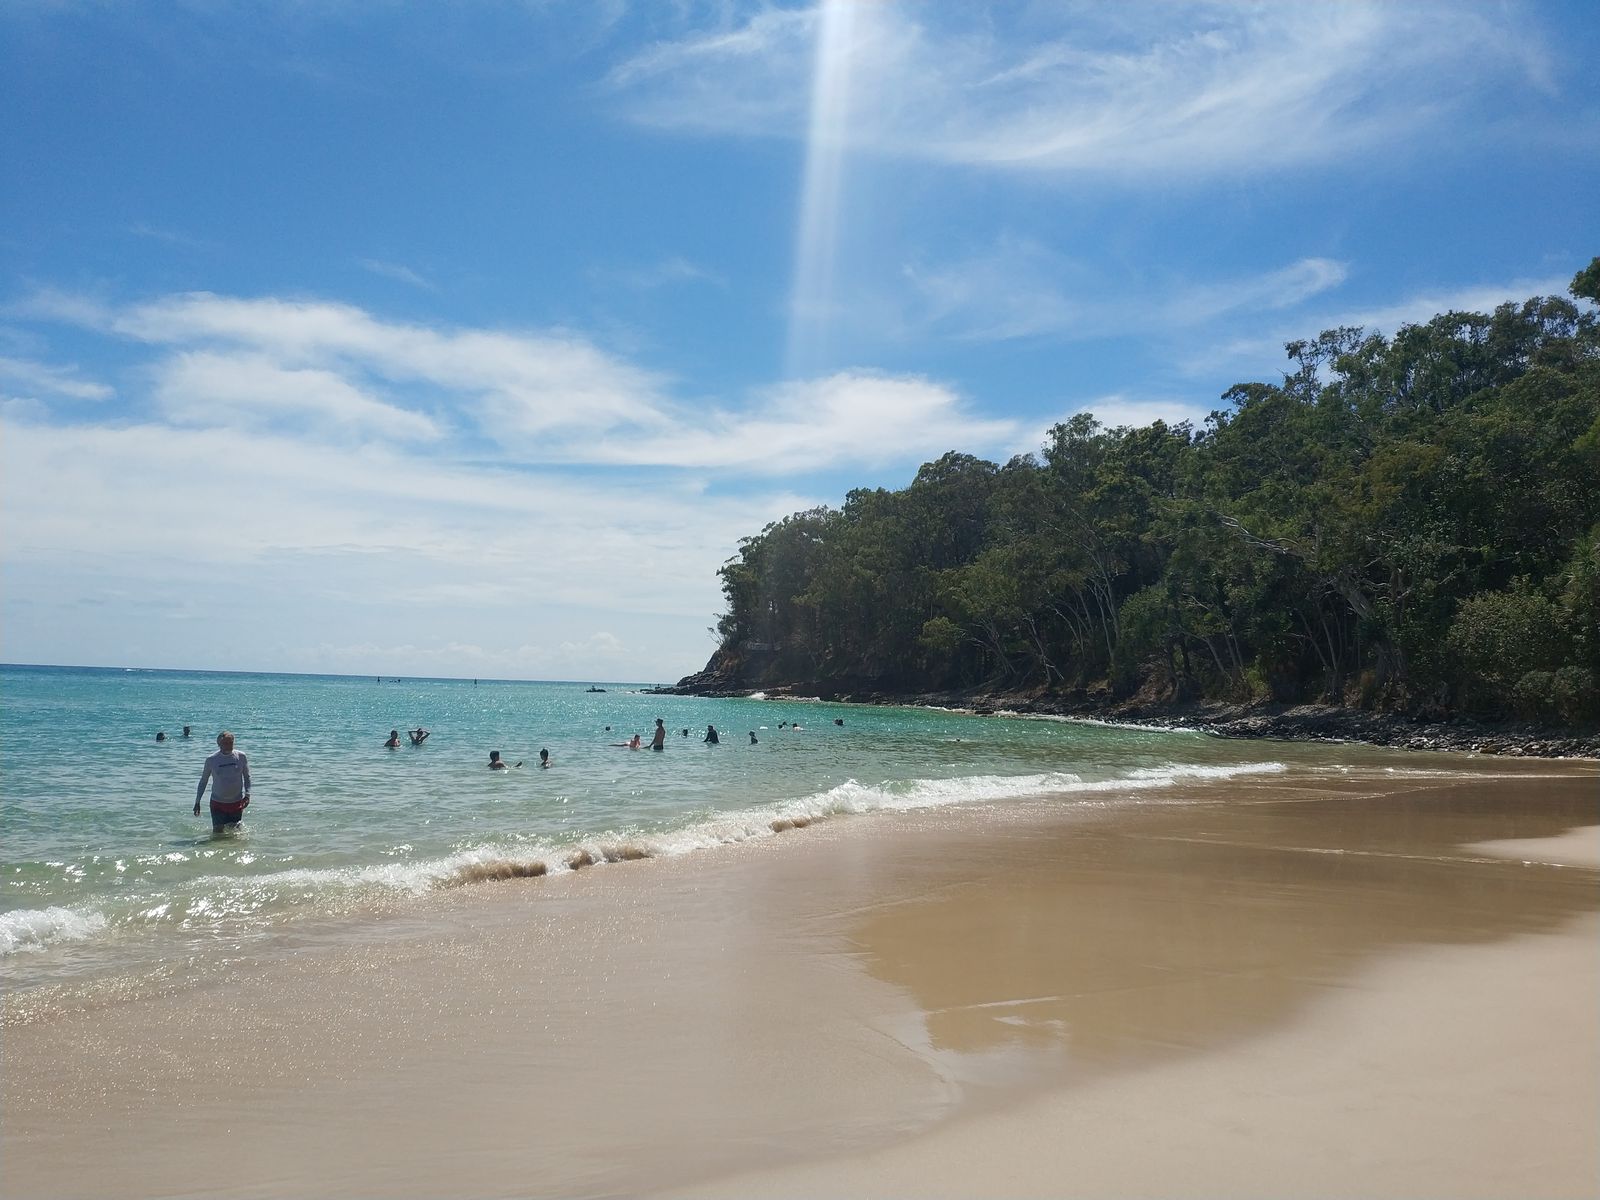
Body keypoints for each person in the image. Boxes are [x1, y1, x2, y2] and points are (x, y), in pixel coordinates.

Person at [194, 731, 250, 831]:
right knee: (218, 834)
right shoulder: (211, 760)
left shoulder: (241, 756)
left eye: (230, 743)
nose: (228, 746)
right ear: (219, 744)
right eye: (225, 743)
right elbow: (203, 781)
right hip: (218, 803)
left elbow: (247, 777)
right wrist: (197, 802)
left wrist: (247, 795)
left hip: (236, 802)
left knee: (235, 833)